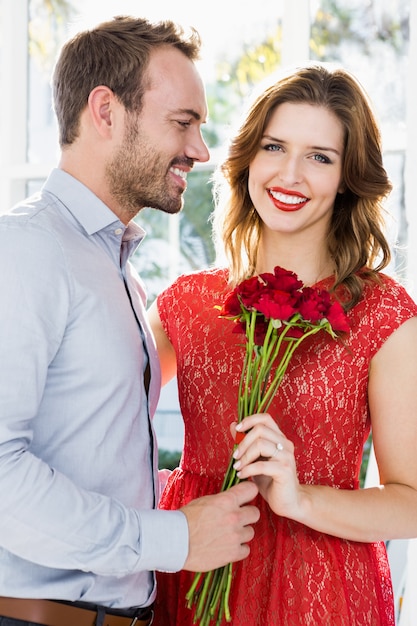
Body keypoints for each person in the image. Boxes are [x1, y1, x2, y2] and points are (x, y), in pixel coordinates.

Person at [0, 15, 261, 626]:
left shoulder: (118, 270)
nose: (199, 149)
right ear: (106, 111)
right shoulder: (27, 250)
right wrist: (172, 539)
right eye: (182, 124)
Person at [148, 63, 417, 625]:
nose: (289, 175)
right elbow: (96, 425)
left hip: (323, 593)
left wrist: (300, 500)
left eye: (320, 156)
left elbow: (411, 500)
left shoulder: (382, 313)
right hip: (195, 581)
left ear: (347, 177)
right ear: (248, 158)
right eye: (274, 147)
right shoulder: (185, 304)